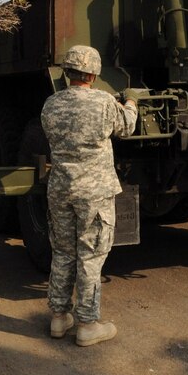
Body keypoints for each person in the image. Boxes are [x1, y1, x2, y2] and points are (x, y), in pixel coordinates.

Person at [40, 45, 139, 347]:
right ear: (94, 73)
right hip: (94, 193)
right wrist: (131, 102)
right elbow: (127, 127)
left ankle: (58, 317)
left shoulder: (51, 104)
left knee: (63, 252)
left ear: (68, 72)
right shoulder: (104, 102)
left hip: (60, 188)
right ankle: (87, 323)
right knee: (91, 255)